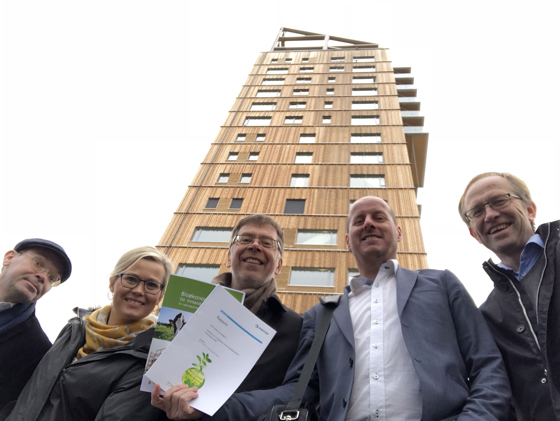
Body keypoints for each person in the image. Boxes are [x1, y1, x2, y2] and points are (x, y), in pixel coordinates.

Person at [152, 197, 511, 420]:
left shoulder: (441, 284)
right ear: (347, 241)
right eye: (358, 220)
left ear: (399, 233)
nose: (368, 223)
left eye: (379, 217)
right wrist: (208, 405)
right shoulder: (321, 315)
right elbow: (297, 391)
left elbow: (488, 366)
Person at [151, 214, 303, 419]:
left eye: (267, 243)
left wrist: (216, 410)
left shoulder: (296, 328)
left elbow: (297, 393)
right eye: (245, 239)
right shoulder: (184, 310)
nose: (255, 246)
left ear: (278, 266)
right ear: (229, 257)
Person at [5, 246, 173, 421]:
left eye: (151, 285)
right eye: (131, 279)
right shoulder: (74, 328)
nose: (139, 290)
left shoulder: (151, 360)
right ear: (112, 283)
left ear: (160, 297)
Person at [459, 172, 560, 420]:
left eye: (500, 200)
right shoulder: (487, 317)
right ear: (474, 234)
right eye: (477, 211)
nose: (490, 214)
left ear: (530, 209)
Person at [0, 238, 72, 416]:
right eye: (38, 263)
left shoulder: (38, 352)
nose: (43, 277)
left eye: (52, 278)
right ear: (9, 257)